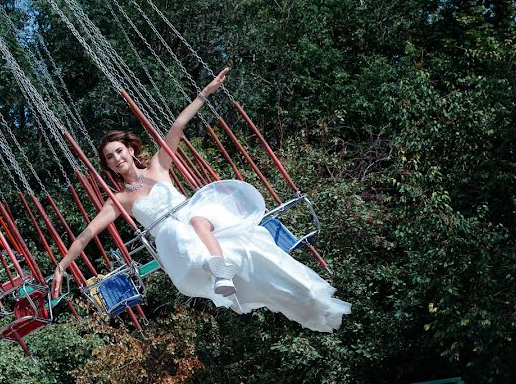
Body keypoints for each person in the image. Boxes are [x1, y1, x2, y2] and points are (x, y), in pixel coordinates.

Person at [51, 68, 350, 332]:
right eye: (109, 157)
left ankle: (225, 269)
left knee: (221, 235)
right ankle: (216, 269)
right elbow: (87, 234)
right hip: (176, 244)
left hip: (201, 222)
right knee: (171, 230)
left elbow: (177, 127)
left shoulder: (158, 166)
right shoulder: (119, 200)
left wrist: (204, 95)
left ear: (130, 150)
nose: (117, 158)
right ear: (107, 166)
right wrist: (63, 266)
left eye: (119, 151)